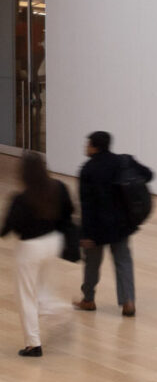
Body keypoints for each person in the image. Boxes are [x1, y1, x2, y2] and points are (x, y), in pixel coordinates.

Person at [2, 150, 73, 356]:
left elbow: (7, 229)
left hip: (30, 249)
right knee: (42, 289)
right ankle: (60, 310)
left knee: (26, 296)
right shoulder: (58, 187)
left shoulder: (21, 198)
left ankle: (33, 344)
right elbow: (68, 211)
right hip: (53, 243)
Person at [76, 129, 148, 316]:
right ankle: (128, 302)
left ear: (94, 147)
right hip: (121, 225)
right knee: (123, 262)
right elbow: (148, 175)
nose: (86, 147)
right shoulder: (123, 162)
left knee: (92, 264)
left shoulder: (88, 170)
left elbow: (87, 205)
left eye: (88, 144)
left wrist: (85, 235)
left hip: (97, 228)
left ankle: (88, 299)